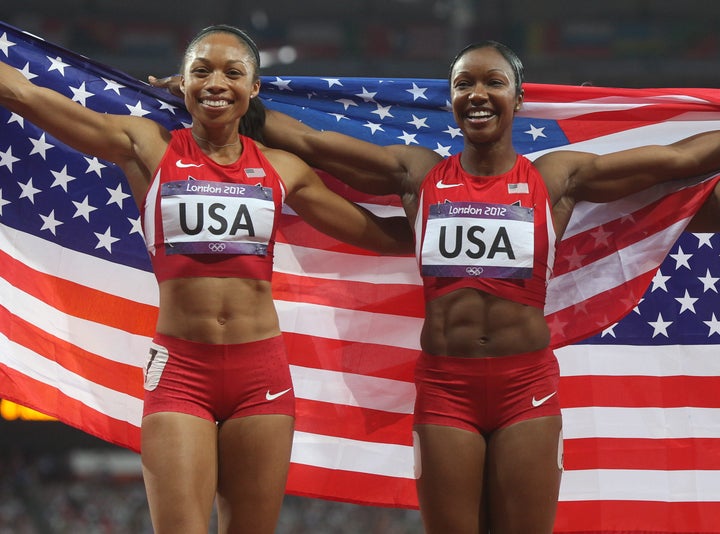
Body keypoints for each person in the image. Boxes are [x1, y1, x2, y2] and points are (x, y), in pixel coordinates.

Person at [236, 41, 720, 534]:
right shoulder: (418, 173)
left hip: (525, 388)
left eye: (494, 82)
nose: (478, 94)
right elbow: (312, 143)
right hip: (447, 390)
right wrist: (225, 99)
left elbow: (673, 160)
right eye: (464, 84)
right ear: (450, 100)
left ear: (519, 97)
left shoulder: (554, 178)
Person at [0, 24, 413, 534]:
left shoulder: (283, 169)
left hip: (260, 378)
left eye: (232, 72)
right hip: (181, 374)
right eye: (202, 71)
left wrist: (476, 218)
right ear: (184, 82)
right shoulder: (146, 146)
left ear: (254, 88)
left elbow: (384, 235)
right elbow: (24, 93)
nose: (216, 82)